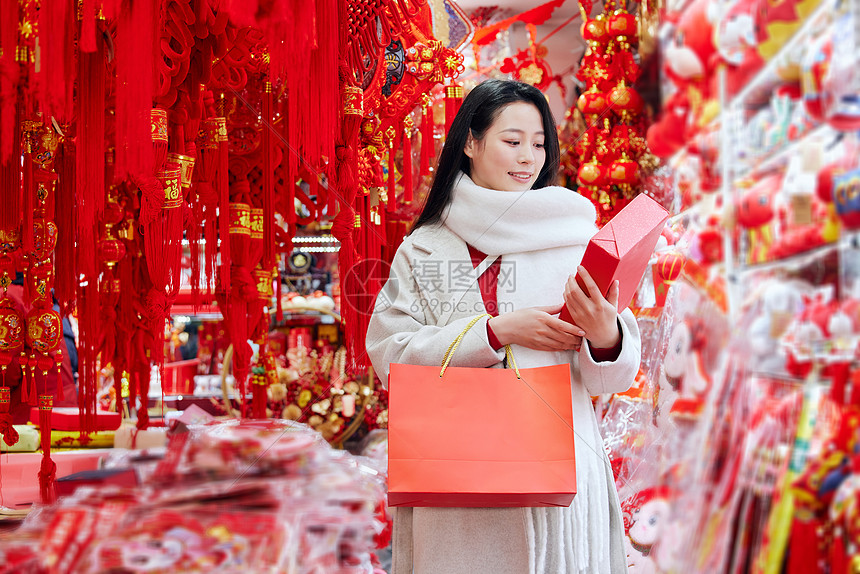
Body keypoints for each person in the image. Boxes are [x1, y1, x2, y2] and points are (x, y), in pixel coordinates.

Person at [365, 79, 642, 574]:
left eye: (538, 144)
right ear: (470, 143)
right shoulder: (427, 247)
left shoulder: (573, 239)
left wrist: (607, 337)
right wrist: (494, 332)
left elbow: (613, 378)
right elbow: (390, 353)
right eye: (512, 141)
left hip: (558, 478)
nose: (528, 158)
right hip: (455, 476)